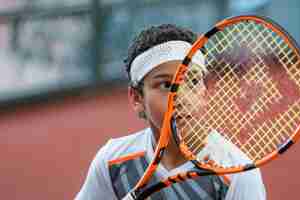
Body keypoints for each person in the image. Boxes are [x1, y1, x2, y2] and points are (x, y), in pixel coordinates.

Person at [75, 24, 266, 200]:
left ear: (205, 92)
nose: (182, 98)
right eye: (166, 85)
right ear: (136, 98)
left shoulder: (238, 174)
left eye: (193, 82)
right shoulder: (111, 162)